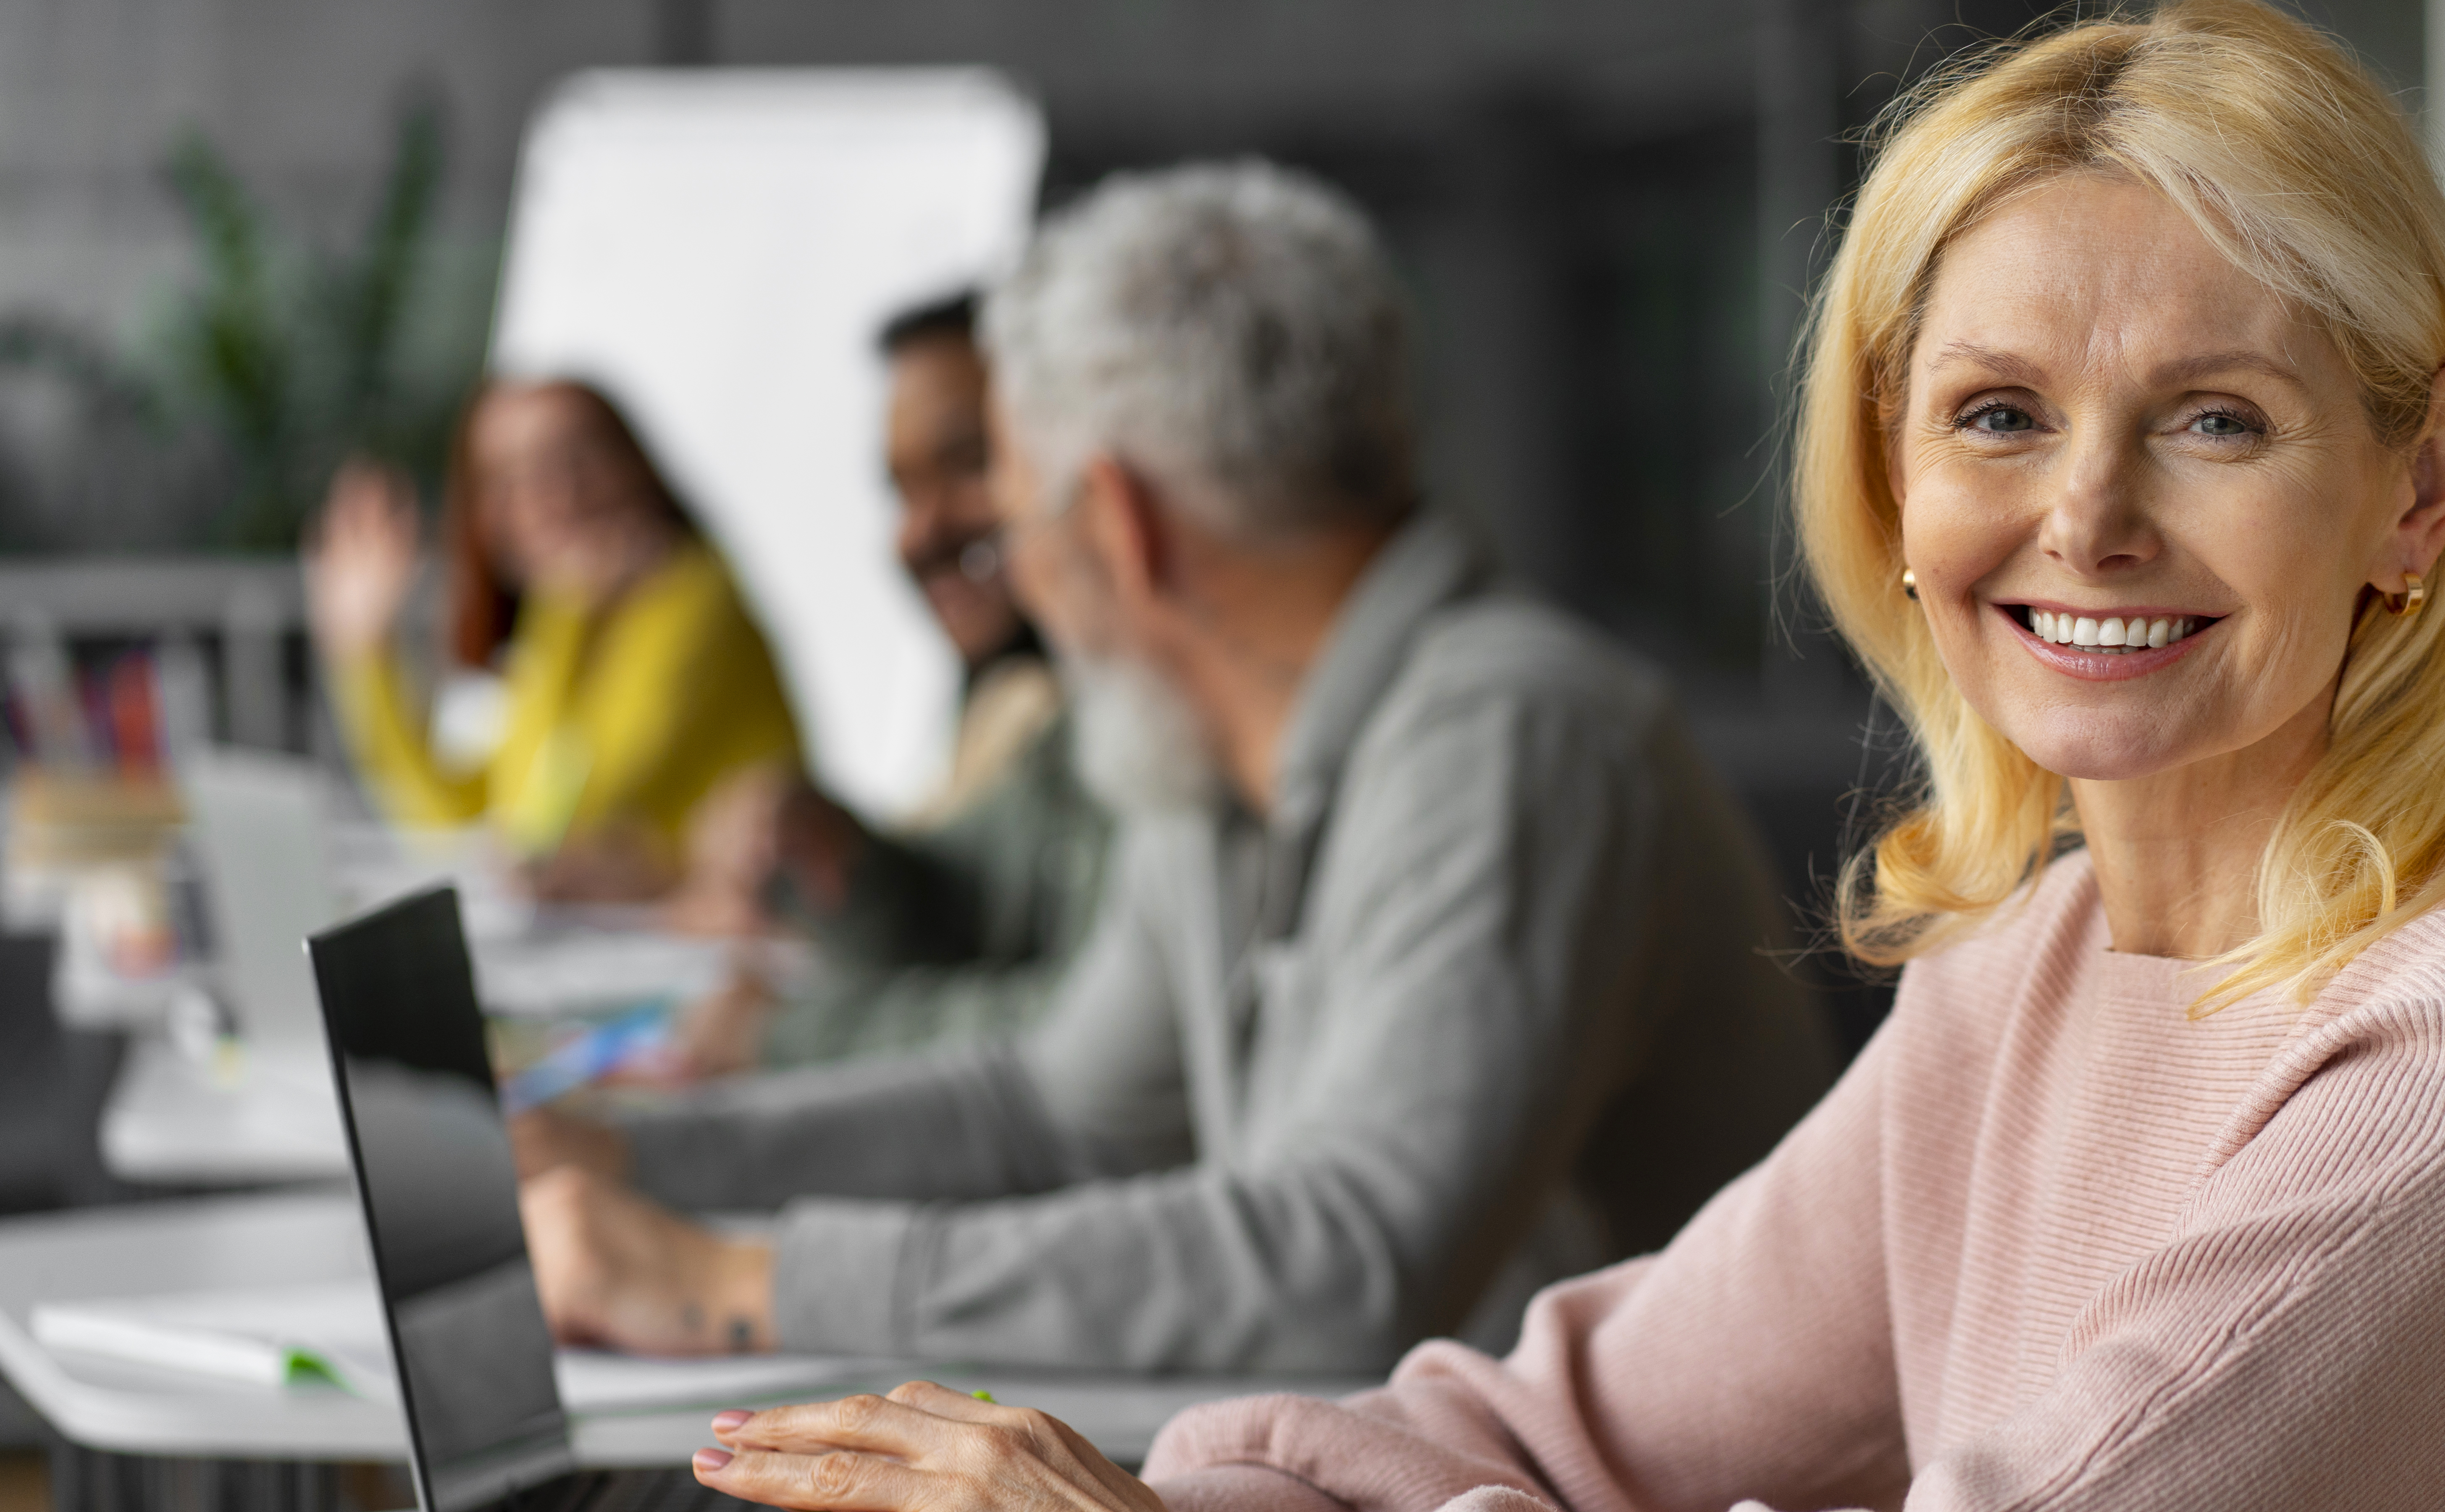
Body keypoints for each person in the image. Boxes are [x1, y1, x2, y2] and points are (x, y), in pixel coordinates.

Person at [668, 3, 2445, 1512]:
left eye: (2217, 419)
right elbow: (1586, 1432)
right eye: (1999, 414)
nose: (2087, 517)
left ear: (2417, 490)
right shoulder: (2034, 963)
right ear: (1892, 473)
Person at [510, 161, 1835, 1373]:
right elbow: (1052, 1114)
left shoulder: (1516, 737)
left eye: (1020, 516)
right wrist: (628, 1160)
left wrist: (742, 1284)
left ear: (1116, 523)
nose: (1018, 568)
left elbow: (1342, 1263)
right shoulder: (1207, 755)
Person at [666, 294, 1113, 1073]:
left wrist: (788, 1038)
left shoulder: (1150, 713)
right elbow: (967, 923)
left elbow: (1106, 1034)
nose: (919, 532)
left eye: (973, 464)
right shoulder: (1030, 703)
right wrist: (838, 852)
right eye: (901, 490)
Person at [305, 378, 802, 902]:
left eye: (576, 455)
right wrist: (366, 654)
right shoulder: (565, 613)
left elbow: (565, 823)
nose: (555, 494)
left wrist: (572, 614)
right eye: (511, 476)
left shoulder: (697, 597)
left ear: (634, 464)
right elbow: (461, 820)